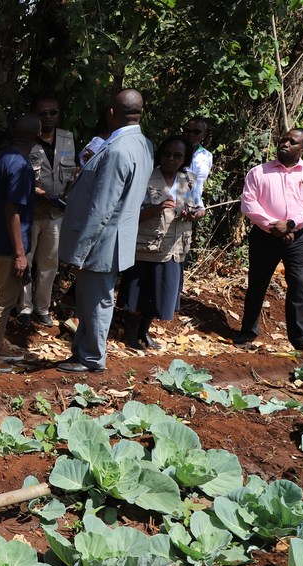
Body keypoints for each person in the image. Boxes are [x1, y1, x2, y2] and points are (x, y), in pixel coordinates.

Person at [57, 89, 154, 373]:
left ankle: (91, 358)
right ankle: (84, 353)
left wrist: (80, 251)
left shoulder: (118, 150)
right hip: (116, 238)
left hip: (102, 242)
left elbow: (102, 207)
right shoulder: (142, 143)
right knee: (91, 300)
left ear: (111, 113)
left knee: (96, 301)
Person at [233, 128, 303, 351]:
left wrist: (291, 223)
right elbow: (249, 203)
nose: (284, 144)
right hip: (265, 236)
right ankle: (247, 333)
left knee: (299, 282)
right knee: (257, 282)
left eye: (292, 142)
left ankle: (300, 337)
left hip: (300, 237)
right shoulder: (259, 172)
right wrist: (272, 226)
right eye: (283, 140)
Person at [119, 135, 204, 350]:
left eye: (177, 156)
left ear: (184, 159)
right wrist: (157, 208)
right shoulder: (146, 177)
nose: (171, 159)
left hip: (174, 247)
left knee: (159, 293)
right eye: (167, 154)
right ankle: (129, 333)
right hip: (147, 246)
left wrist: (195, 213)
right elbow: (128, 213)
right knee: (138, 292)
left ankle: (143, 331)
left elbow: (196, 205)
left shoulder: (187, 180)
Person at [0, 115, 42, 373]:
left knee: (1, 293)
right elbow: (11, 209)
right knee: (4, 296)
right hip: (9, 243)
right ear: (37, 135)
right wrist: (20, 253)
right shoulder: (21, 166)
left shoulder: (4, 157)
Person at [17, 97, 77, 328]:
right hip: (31, 212)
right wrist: (38, 193)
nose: (49, 117)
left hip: (56, 214)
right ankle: (23, 307)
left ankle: (42, 307)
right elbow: (19, 176)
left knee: (49, 263)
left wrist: (67, 197)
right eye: (43, 113)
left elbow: (73, 174)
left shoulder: (67, 139)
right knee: (26, 261)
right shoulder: (28, 141)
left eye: (53, 112)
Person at [182, 116, 213, 207]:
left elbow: (199, 185)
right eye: (188, 131)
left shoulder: (207, 156)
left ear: (204, 135)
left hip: (192, 207)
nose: (191, 134)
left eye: (196, 132)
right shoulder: (174, 152)